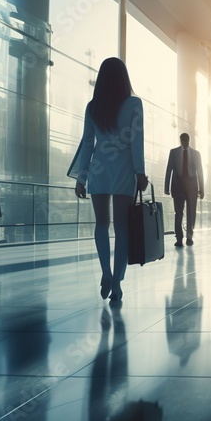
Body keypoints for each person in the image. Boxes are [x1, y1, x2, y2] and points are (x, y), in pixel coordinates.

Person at [68, 57, 149, 302]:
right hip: (124, 168)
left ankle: (105, 272)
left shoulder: (93, 107)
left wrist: (81, 178)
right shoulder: (134, 103)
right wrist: (140, 172)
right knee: (122, 226)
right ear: (124, 77)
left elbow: (87, 143)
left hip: (98, 168)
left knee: (101, 224)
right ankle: (117, 280)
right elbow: (137, 140)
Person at [164, 133, 204, 247]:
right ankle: (179, 238)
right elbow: (169, 169)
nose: (186, 143)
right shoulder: (174, 152)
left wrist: (202, 189)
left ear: (189, 140)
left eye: (187, 141)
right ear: (180, 140)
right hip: (178, 187)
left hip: (192, 187)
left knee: (191, 213)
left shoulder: (196, 154)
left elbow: (200, 171)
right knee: (178, 213)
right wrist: (166, 187)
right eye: (184, 141)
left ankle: (189, 237)